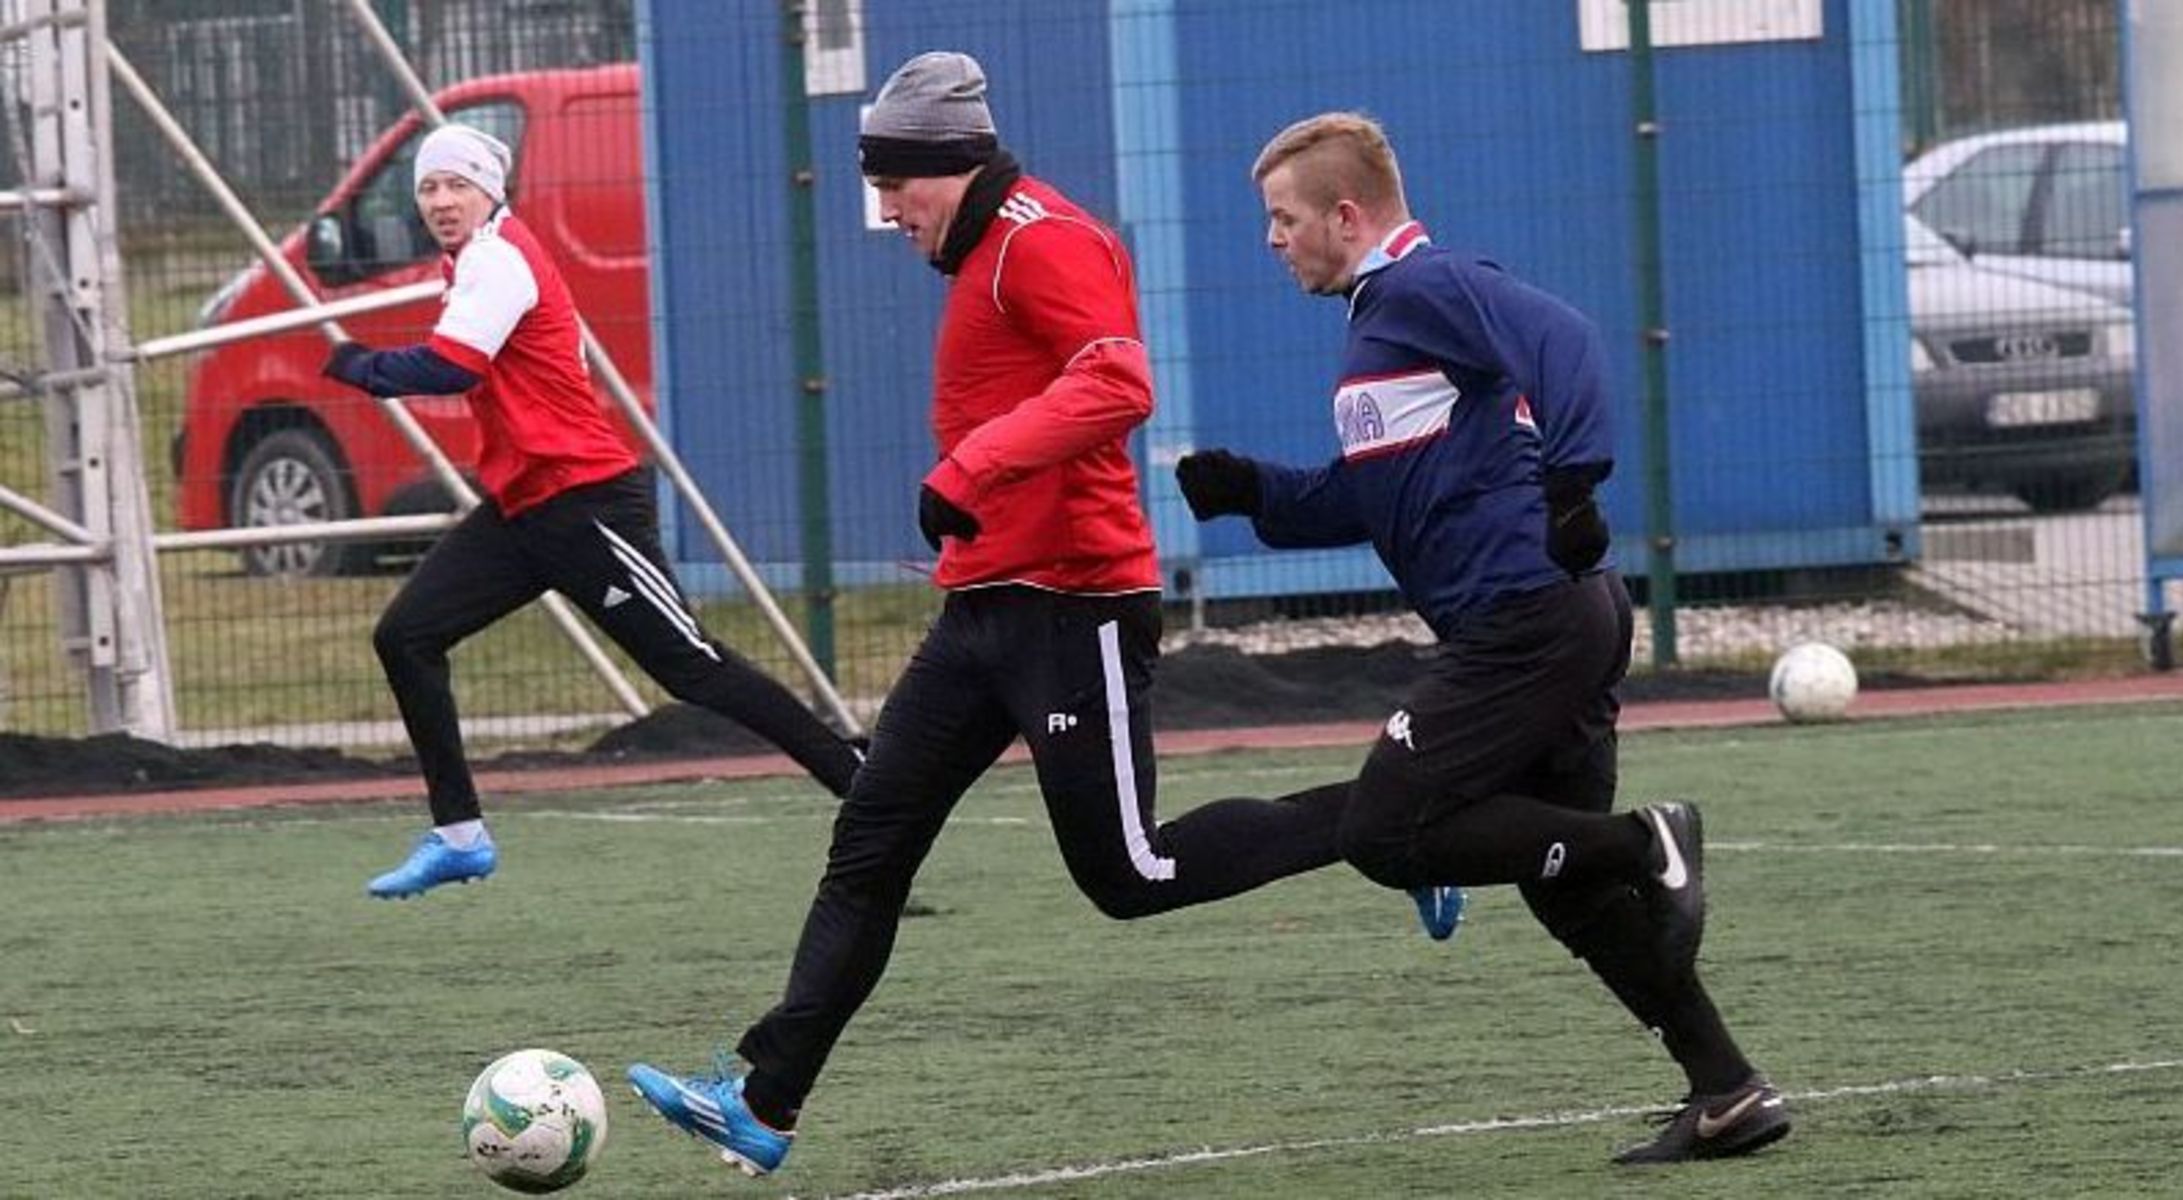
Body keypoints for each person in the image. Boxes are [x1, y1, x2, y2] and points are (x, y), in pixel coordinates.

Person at [623, 54, 1455, 1177]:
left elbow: (1119, 383)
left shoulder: (1042, 240)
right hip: (980, 609)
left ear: (946, 167)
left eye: (892, 184)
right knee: (869, 839)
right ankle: (766, 1102)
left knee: (1129, 875)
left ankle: (1405, 822)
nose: (882, 208)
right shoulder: (983, 249)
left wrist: (973, 467)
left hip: (1078, 607)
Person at [1171, 112, 1791, 1165]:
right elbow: (1377, 493)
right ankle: (1728, 1089)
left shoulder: (1419, 286)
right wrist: (1256, 495)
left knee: (1383, 832)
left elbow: (1566, 342)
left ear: (1347, 215)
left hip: (1527, 621)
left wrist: (1576, 480)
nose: (1273, 240)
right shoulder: (1383, 320)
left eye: (1283, 219)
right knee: (1568, 889)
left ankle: (1652, 839)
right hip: (1561, 616)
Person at [322, 122, 863, 900]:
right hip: (525, 507)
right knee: (406, 637)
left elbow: (448, 367)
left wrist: (357, 365)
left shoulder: (499, 258)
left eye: (457, 185)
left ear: (489, 191)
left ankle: (864, 784)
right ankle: (460, 836)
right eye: (429, 188)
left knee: (691, 666)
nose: (441, 200)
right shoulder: (476, 260)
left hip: (587, 504)